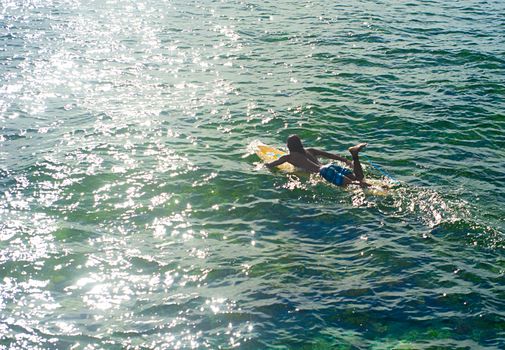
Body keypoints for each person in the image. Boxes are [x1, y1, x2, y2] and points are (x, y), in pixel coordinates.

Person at [265, 135, 369, 187]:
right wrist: (345, 160)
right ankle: (355, 155)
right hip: (330, 166)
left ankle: (370, 186)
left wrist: (265, 164)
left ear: (289, 146)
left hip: (323, 171)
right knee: (359, 178)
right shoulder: (310, 150)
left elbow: (272, 165)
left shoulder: (288, 157)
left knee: (355, 185)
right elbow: (329, 155)